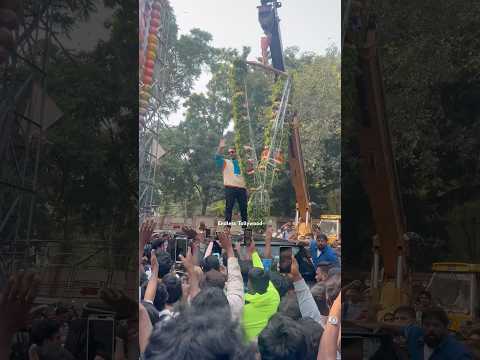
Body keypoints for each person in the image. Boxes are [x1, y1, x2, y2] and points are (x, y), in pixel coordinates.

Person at [215, 138, 248, 229]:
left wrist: (246, 149)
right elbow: (217, 157)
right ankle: (227, 228)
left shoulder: (243, 163)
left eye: (233, 152)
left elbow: (249, 173)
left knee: (244, 209)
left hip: (242, 188)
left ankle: (245, 229)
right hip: (230, 188)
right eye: (229, 152)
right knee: (228, 208)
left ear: (237, 152)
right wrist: (220, 148)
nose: (231, 153)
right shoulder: (226, 162)